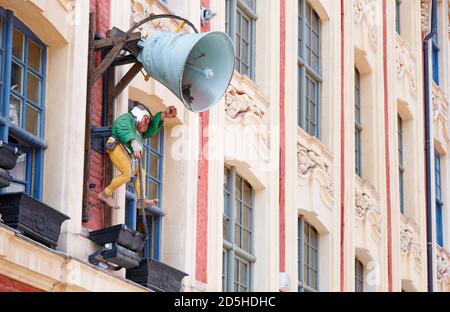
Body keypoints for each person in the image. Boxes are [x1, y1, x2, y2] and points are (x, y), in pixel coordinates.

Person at [98, 103, 177, 209]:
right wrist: (134, 142)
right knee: (127, 173)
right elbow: (122, 128)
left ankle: (141, 200)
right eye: (146, 121)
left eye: (148, 123)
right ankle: (105, 193)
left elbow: (150, 130)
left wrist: (163, 115)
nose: (147, 125)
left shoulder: (139, 130)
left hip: (126, 153)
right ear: (139, 116)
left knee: (141, 172)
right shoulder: (127, 118)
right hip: (117, 147)